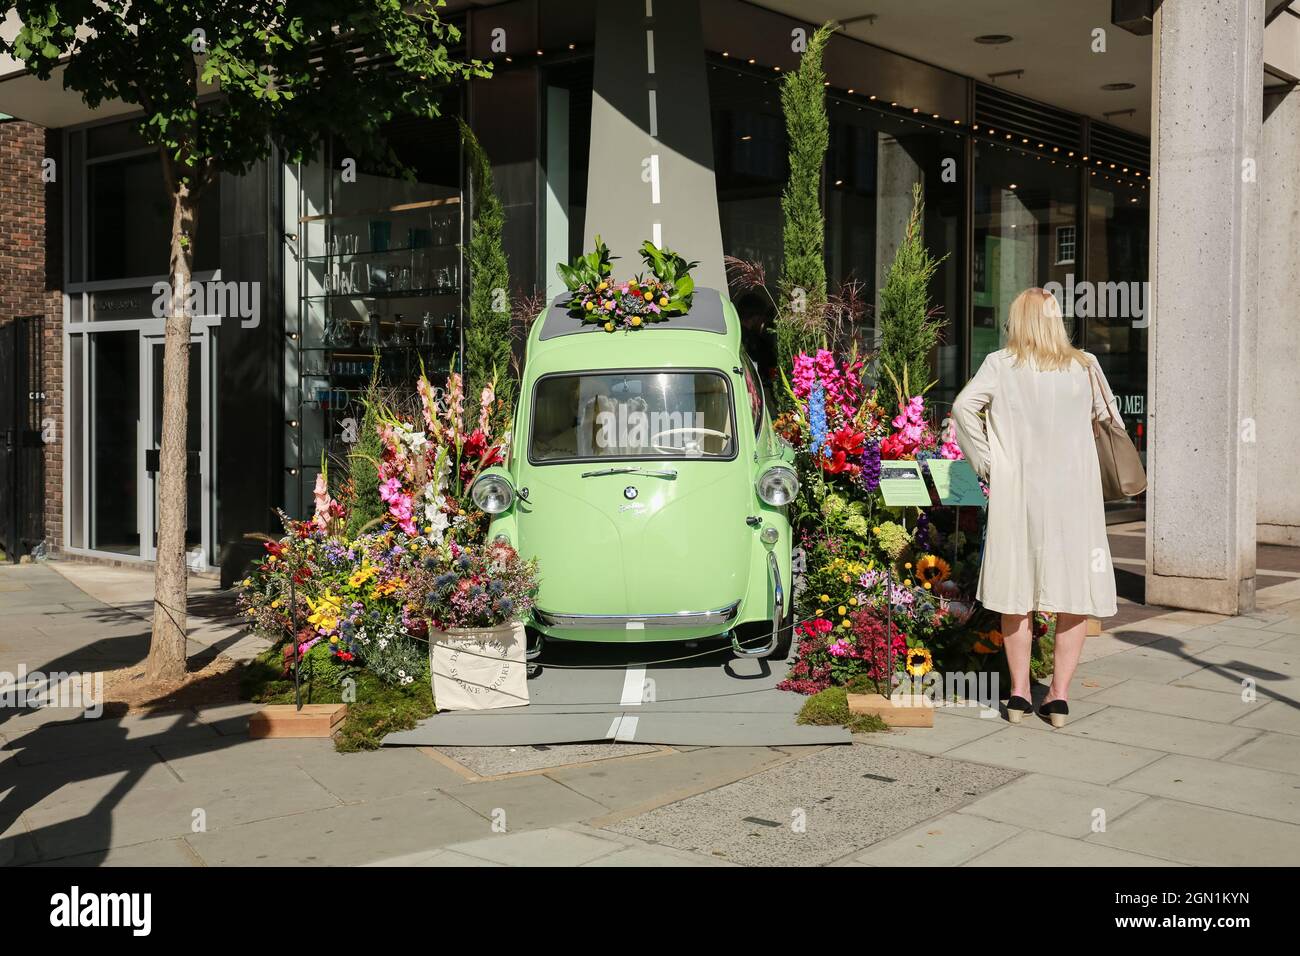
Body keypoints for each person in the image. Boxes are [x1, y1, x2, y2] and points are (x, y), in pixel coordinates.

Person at [951, 288, 1120, 727]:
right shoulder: (1084, 366)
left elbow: (962, 408)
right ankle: (1059, 697)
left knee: (1016, 592)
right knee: (1073, 595)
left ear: (1017, 320)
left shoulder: (1000, 366)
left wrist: (989, 463)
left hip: (1019, 493)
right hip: (1074, 496)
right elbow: (1109, 419)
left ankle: (1019, 694)